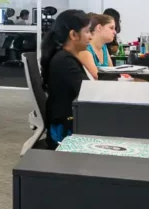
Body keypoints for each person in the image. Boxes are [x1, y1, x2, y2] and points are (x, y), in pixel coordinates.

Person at [40, 9, 91, 147]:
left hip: (66, 121)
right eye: (87, 32)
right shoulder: (65, 61)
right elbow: (88, 92)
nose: (90, 37)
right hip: (65, 131)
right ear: (74, 35)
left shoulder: (63, 56)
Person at [77, 13, 116, 80]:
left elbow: (112, 73)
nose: (114, 32)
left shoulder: (104, 47)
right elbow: (97, 77)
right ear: (99, 27)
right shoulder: (85, 49)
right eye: (111, 28)